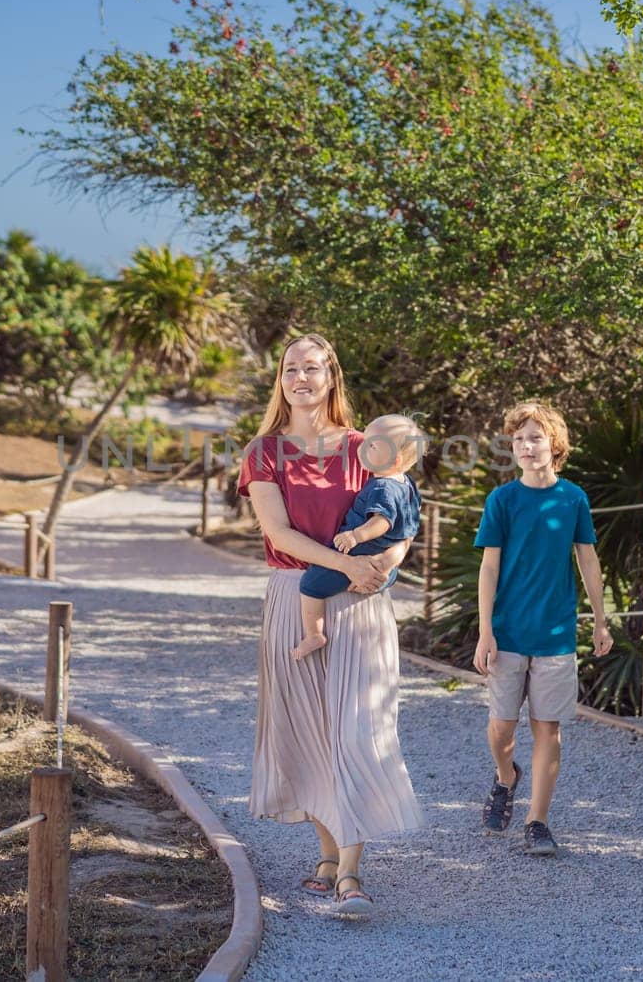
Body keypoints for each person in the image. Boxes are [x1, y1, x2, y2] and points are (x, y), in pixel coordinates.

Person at [238, 333, 424, 918]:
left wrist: (382, 569)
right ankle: (326, 856)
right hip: (295, 597)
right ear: (281, 379)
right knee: (310, 735)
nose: (300, 377)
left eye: (312, 367)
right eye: (290, 367)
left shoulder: (365, 445)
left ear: (331, 376)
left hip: (362, 600)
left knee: (357, 731)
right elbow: (279, 534)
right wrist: (346, 563)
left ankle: (350, 873)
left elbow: (403, 514)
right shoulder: (264, 451)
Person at [472, 400, 613, 855]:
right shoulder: (503, 500)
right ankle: (505, 777)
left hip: (555, 634)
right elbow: (489, 567)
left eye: (535, 438)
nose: (526, 447)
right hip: (507, 631)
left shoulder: (573, 498)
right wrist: (485, 631)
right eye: (518, 440)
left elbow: (587, 559)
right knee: (501, 728)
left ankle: (537, 821)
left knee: (547, 728)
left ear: (555, 444)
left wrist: (600, 621)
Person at [291, 413, 424, 661]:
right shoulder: (407, 483)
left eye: (372, 445)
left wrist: (355, 536)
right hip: (386, 565)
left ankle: (313, 634)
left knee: (310, 585)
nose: (363, 447)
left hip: (360, 555)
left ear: (393, 459)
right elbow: (411, 520)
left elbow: (381, 521)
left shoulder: (382, 487)